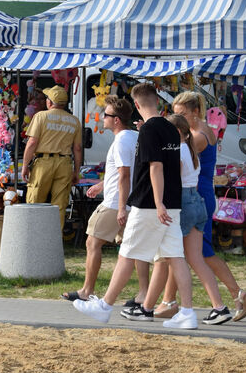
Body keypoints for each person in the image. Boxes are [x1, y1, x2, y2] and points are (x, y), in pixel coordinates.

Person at [73, 83, 199, 330]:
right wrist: (164, 203)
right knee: (175, 256)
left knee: (127, 253)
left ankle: (105, 306)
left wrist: (158, 202)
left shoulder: (150, 129)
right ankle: (187, 311)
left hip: (150, 203)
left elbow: (156, 167)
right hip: (171, 203)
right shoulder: (171, 128)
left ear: (138, 105)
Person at [121, 114, 232, 325]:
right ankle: (219, 307)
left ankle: (147, 307)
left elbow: (169, 177)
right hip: (197, 201)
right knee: (195, 259)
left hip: (183, 202)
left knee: (164, 259)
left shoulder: (178, 151)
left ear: (177, 132)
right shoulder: (190, 149)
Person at [171, 91, 246, 321]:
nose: (178, 119)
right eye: (175, 114)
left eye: (182, 114)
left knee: (202, 253)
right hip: (202, 193)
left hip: (197, 195)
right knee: (185, 252)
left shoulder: (197, 136)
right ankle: (168, 301)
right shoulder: (203, 130)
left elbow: (176, 158)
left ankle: (236, 295)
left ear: (195, 112)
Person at [60, 96, 147, 303]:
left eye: (106, 115)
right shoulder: (135, 137)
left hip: (116, 202)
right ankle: (144, 294)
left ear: (116, 120)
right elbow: (128, 172)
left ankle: (87, 291)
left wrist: (119, 208)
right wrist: (102, 184)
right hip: (131, 201)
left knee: (92, 242)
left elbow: (125, 174)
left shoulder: (121, 141)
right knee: (134, 248)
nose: (102, 118)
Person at [22, 85, 83, 229]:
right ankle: (54, 241)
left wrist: (25, 165)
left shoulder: (41, 116)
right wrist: (76, 171)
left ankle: (33, 236)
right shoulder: (74, 121)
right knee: (60, 205)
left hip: (43, 163)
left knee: (35, 202)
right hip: (65, 163)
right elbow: (78, 148)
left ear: (49, 102)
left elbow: (32, 142)